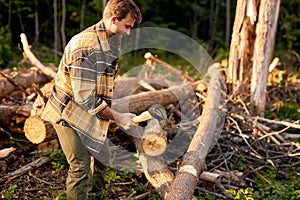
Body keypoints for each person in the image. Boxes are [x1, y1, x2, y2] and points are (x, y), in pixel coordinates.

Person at [41, 0, 142, 199]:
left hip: (88, 111)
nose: (128, 32)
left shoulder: (113, 43)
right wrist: (119, 117)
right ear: (113, 19)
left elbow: (104, 86)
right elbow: (84, 96)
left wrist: (110, 117)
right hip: (68, 111)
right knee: (80, 166)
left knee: (103, 156)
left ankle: (95, 197)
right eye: (127, 26)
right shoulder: (85, 45)